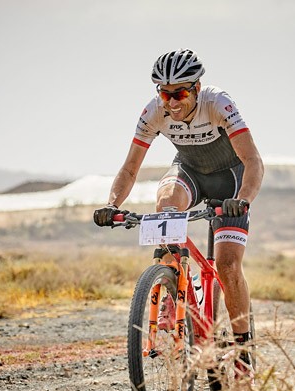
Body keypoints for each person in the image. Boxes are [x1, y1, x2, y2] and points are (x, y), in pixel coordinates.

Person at [93, 48, 264, 366]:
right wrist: (112, 204)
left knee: (227, 266)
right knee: (166, 203)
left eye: (180, 93)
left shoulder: (218, 103)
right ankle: (173, 282)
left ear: (196, 89)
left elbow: (253, 161)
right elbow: (130, 169)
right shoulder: (153, 112)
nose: (171, 103)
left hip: (231, 181)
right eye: (164, 93)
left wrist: (243, 199)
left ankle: (243, 351)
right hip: (190, 172)